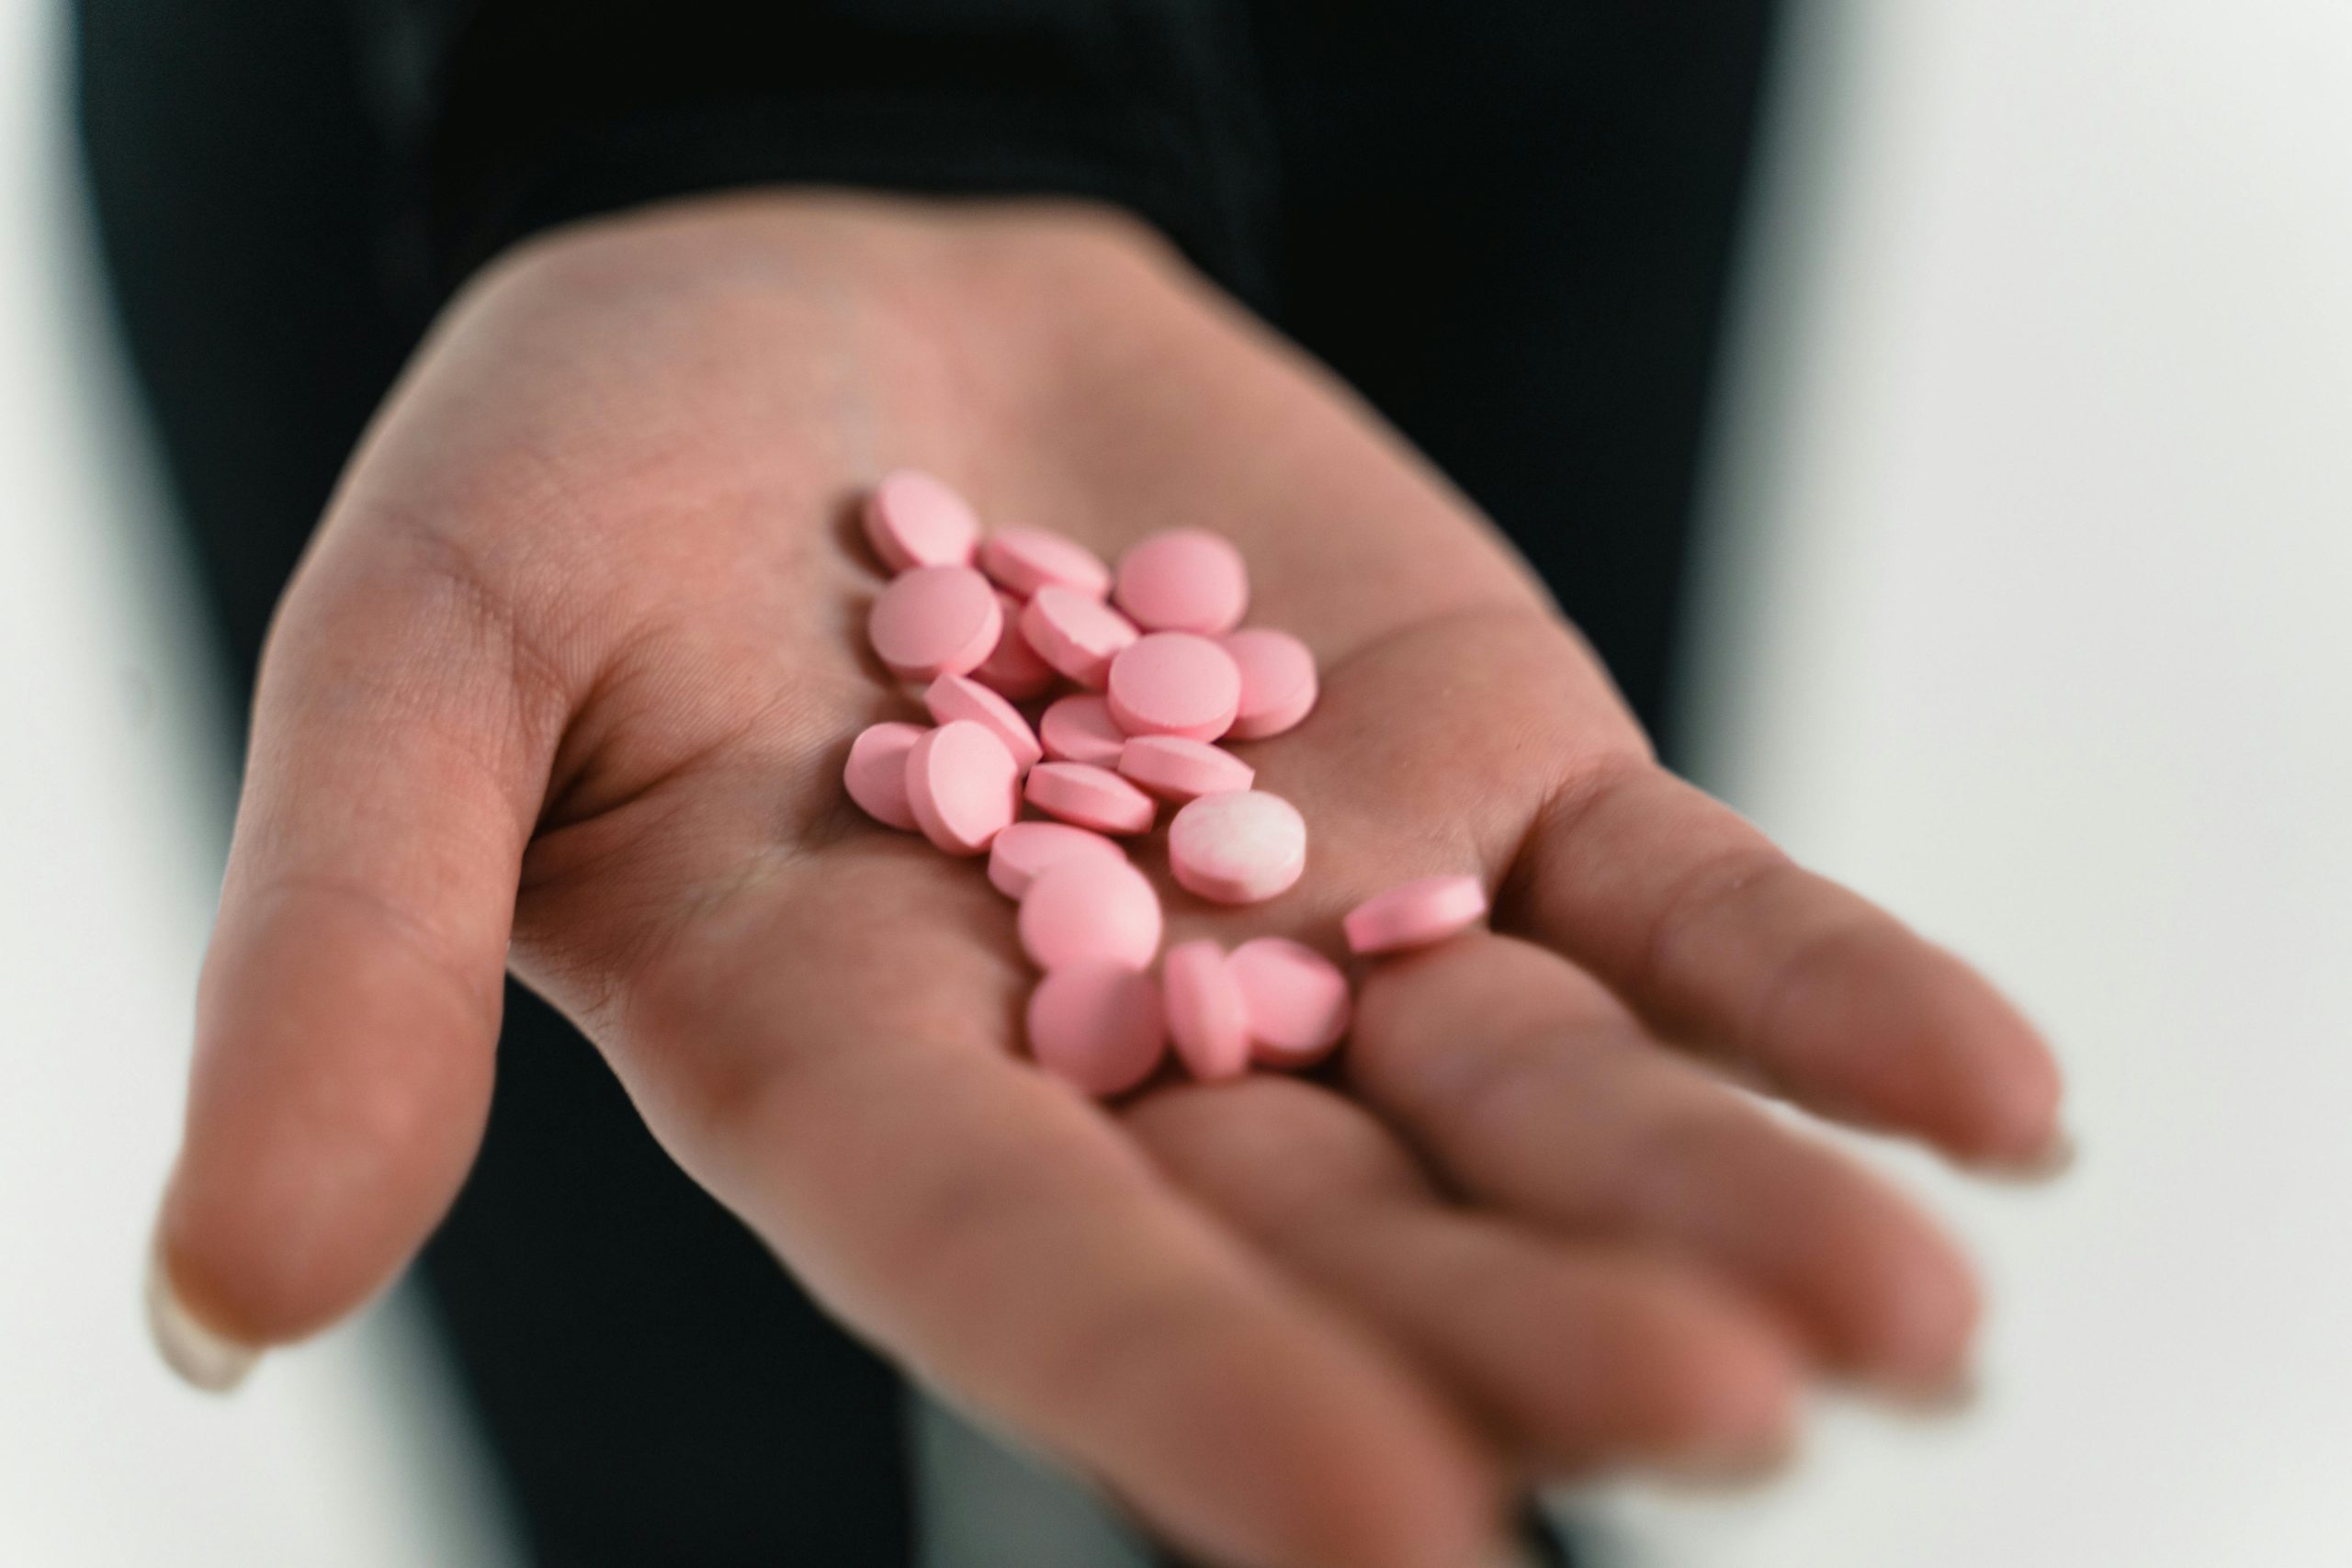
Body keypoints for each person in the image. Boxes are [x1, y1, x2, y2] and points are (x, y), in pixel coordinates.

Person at [77, 4, 2066, 1564]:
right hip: (491, 103)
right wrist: (757, 80)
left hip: (1499, 74)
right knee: (670, 1290)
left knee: (1418, 1320)